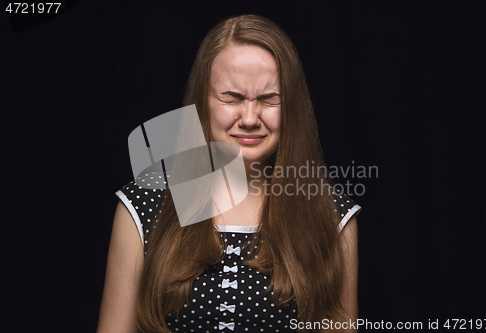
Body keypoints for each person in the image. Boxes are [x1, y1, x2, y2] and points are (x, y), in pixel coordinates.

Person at [97, 14, 360, 333]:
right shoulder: (144, 206)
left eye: (269, 100)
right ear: (202, 102)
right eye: (231, 98)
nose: (250, 118)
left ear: (292, 106)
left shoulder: (332, 217)